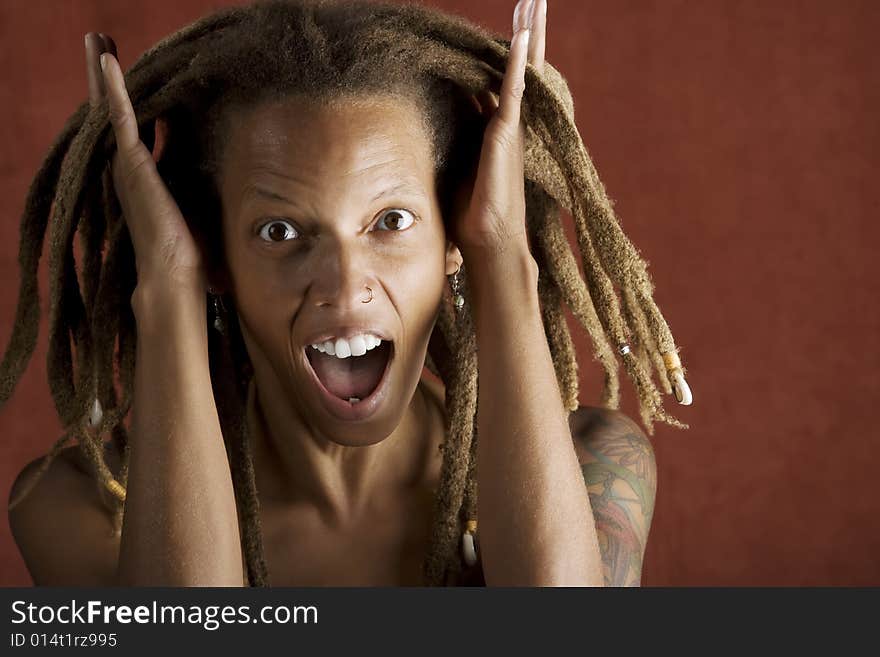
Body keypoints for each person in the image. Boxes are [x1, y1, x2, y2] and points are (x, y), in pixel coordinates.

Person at [3, 0, 691, 587]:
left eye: (391, 222)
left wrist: (504, 256)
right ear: (217, 255)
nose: (344, 284)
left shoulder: (597, 462)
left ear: (452, 234)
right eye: (279, 230)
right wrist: (168, 286)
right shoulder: (85, 507)